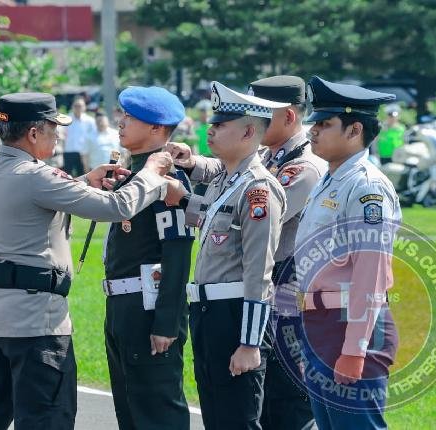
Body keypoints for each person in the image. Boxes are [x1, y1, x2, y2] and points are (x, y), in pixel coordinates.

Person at [0, 92, 182, 430]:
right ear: (33, 133)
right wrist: (151, 173)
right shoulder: (39, 177)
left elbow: (25, 201)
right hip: (34, 320)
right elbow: (117, 207)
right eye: (53, 129)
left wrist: (82, 183)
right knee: (47, 418)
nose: (58, 136)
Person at [168, 76, 326, 429]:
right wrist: (193, 163)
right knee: (233, 408)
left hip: (278, 297)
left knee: (281, 409)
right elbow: (232, 177)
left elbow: (244, 213)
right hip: (239, 301)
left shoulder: (302, 168)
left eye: (265, 111)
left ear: (286, 116)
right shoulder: (271, 157)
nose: (212, 130)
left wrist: (185, 200)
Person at [176, 81, 287, 429]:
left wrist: (250, 343)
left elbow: (259, 270)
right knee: (216, 416)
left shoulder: (258, 189)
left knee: (237, 419)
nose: (210, 130)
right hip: (208, 313)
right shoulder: (225, 182)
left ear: (249, 132)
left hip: (235, 315)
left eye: (221, 124)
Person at [295, 76, 401, 430]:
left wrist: (355, 349)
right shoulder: (332, 179)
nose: (313, 130)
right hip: (322, 323)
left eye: (325, 124)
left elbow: (370, 275)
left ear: (355, 130)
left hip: (349, 325)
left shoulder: (367, 187)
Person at [102, 86, 194, 429]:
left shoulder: (165, 179)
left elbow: (177, 253)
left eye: (131, 117)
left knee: (158, 415)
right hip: (122, 308)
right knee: (130, 413)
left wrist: (166, 322)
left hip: (149, 309)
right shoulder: (136, 175)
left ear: (156, 128)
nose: (121, 122)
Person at [63, 96, 96, 176]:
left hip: (83, 153)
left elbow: (93, 136)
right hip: (69, 151)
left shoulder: (90, 121)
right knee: (66, 175)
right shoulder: (66, 119)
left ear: (84, 107)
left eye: (80, 106)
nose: (78, 108)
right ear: (72, 107)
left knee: (82, 176)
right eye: (76, 106)